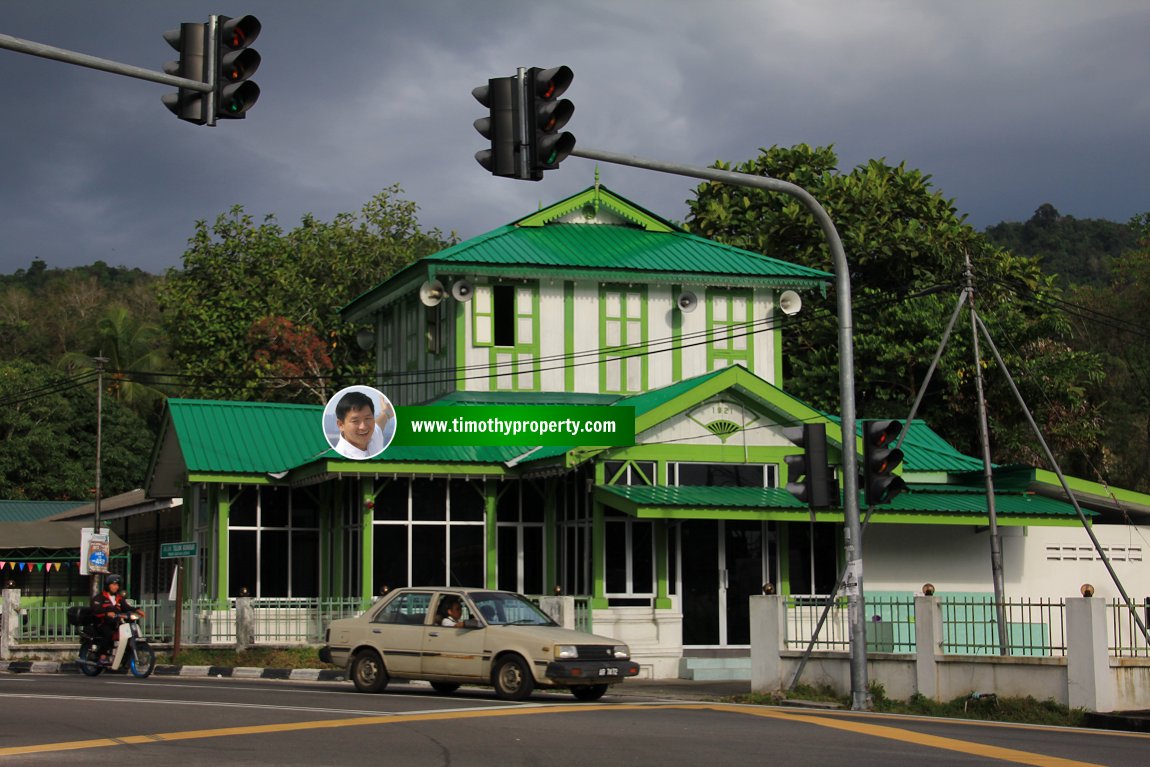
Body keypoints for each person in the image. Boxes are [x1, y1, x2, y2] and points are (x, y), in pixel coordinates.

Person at [90, 573, 144, 662]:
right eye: (114, 584)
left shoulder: (119, 598)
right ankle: (102, 656)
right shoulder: (99, 598)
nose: (116, 587)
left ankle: (124, 658)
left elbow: (126, 607)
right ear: (108, 585)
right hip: (101, 623)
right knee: (108, 634)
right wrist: (106, 614)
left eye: (117, 585)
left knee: (129, 633)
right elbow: (95, 610)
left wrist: (137, 610)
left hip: (115, 623)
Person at [332, 390, 393, 460]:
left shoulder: (373, 435)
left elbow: (383, 418)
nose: (363, 427)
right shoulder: (340, 458)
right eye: (355, 421)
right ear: (341, 425)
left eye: (367, 418)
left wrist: (387, 411)